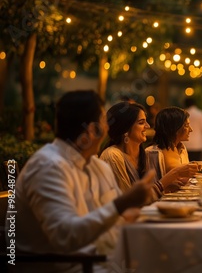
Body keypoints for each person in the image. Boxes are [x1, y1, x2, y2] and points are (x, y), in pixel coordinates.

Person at [12, 91, 154, 273]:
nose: (109, 128)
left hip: (103, 260)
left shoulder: (97, 166)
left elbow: (118, 218)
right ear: (92, 129)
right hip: (73, 267)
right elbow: (65, 237)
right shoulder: (49, 167)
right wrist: (124, 203)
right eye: (105, 121)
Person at [100, 102, 197, 202]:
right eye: (141, 122)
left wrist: (166, 187)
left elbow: (146, 195)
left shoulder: (141, 154)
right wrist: (167, 180)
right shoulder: (112, 155)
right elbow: (127, 201)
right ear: (125, 129)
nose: (147, 126)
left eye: (146, 121)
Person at [145, 106, 200, 176]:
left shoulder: (182, 149)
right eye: (186, 125)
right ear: (174, 127)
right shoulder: (153, 153)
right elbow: (153, 184)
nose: (191, 130)